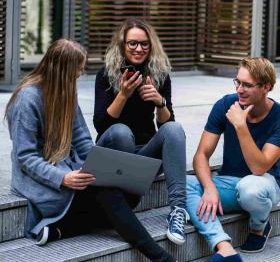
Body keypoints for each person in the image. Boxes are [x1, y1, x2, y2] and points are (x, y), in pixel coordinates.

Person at [5, 39, 175, 262]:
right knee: (109, 195)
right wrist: (63, 177)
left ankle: (63, 227)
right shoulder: (27, 99)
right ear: (62, 70)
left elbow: (83, 140)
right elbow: (26, 157)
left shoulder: (66, 92)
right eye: (77, 70)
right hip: (42, 180)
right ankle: (161, 258)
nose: (80, 74)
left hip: (71, 171)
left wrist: (99, 166)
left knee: (121, 187)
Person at [186, 57, 280, 262]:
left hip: (264, 184)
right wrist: (209, 189)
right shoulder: (226, 104)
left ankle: (258, 228)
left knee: (250, 188)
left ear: (266, 87)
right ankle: (224, 248)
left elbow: (259, 167)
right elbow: (201, 155)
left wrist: (241, 126)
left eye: (247, 85)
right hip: (228, 182)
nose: (239, 89)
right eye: (237, 82)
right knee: (184, 184)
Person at [93, 17, 188, 245]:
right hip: (113, 154)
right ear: (123, 45)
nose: (138, 49)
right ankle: (123, 202)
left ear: (151, 45)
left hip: (144, 155)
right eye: (132, 43)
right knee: (121, 132)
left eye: (144, 44)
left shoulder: (159, 74)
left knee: (175, 129)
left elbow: (167, 127)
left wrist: (159, 102)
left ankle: (178, 211)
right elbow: (101, 125)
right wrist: (123, 95)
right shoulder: (106, 74)